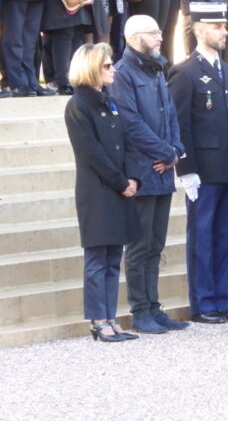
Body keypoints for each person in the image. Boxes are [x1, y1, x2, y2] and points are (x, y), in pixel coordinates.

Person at [168, 2, 228, 324]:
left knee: (225, 238)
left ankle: (220, 299)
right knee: (202, 237)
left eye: (224, 27)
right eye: (217, 27)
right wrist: (186, 170)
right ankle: (203, 303)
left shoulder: (227, 71)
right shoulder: (184, 72)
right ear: (199, 29)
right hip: (203, 170)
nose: (224, 32)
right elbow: (180, 124)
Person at [109, 14, 188, 333]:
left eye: (159, 31)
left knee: (156, 243)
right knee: (140, 244)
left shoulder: (156, 68)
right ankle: (140, 309)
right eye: (152, 33)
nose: (159, 37)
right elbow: (130, 122)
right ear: (132, 37)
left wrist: (175, 150)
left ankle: (154, 307)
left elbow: (170, 114)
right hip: (142, 170)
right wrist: (164, 151)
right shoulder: (123, 73)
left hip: (162, 168)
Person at [64, 43, 140, 342]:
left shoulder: (110, 102)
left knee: (112, 257)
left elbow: (127, 141)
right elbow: (91, 153)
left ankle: (110, 316)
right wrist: (121, 182)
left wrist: (133, 176)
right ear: (92, 68)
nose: (113, 69)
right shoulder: (78, 105)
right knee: (97, 257)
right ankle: (98, 320)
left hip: (119, 186)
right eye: (108, 66)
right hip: (98, 191)